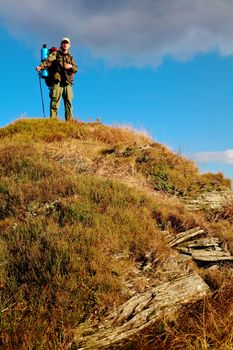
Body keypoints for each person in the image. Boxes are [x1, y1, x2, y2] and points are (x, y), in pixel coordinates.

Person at [36, 37, 78, 121]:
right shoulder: (55, 54)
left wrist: (71, 66)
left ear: (69, 45)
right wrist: (40, 66)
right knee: (55, 101)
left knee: (69, 102)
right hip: (57, 81)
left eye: (67, 43)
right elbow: (48, 61)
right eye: (64, 42)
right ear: (61, 44)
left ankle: (69, 122)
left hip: (68, 82)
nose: (65, 44)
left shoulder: (71, 57)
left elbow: (76, 69)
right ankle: (53, 121)